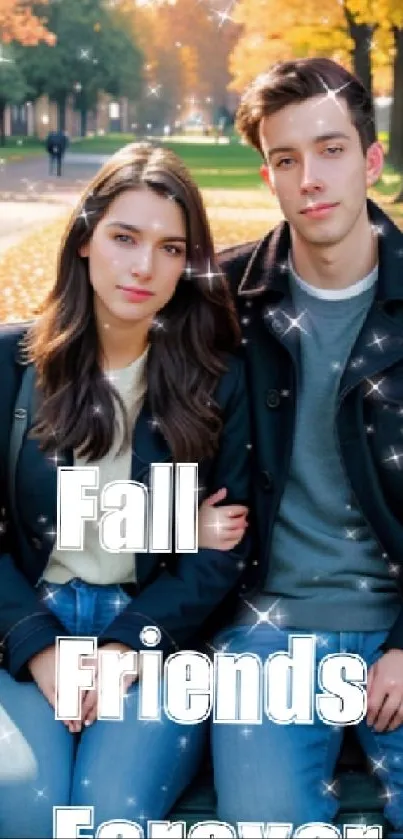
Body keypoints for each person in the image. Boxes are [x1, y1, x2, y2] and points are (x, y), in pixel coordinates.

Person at [0, 142, 251, 838]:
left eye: (170, 247)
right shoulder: (11, 364)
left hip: (157, 633)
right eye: (124, 237)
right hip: (32, 624)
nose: (144, 266)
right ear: (83, 239)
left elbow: (220, 552)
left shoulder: (214, 380)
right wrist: (40, 645)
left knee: (108, 814)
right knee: (26, 803)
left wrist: (125, 647)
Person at [202, 57, 403, 835]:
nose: (309, 177)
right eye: (287, 159)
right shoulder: (223, 304)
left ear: (371, 159)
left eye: (330, 150)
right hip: (267, 632)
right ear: (267, 174)